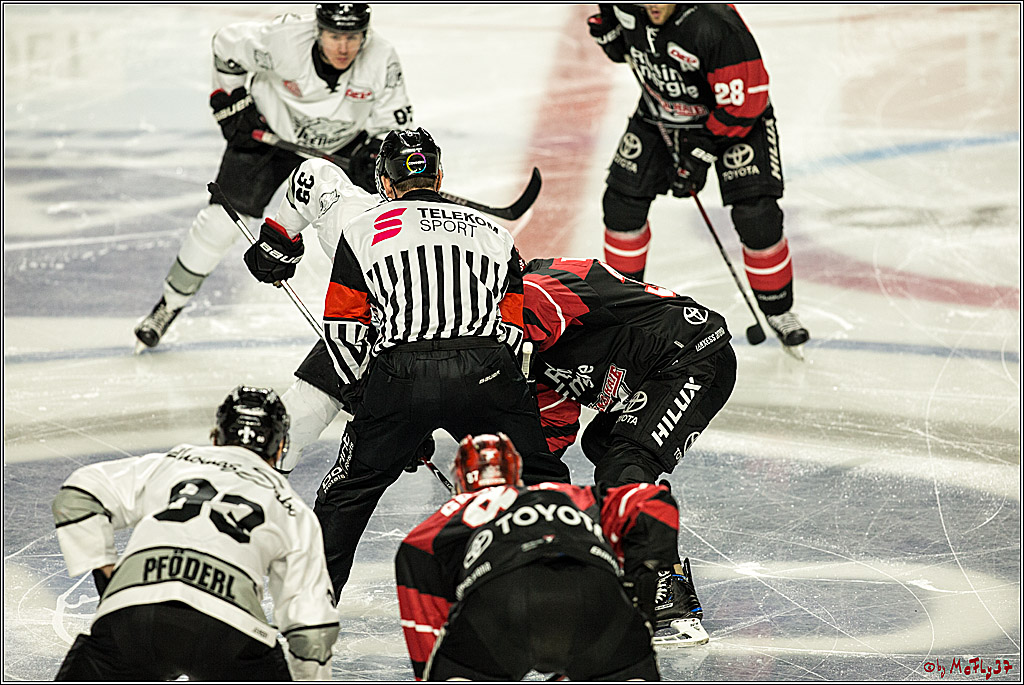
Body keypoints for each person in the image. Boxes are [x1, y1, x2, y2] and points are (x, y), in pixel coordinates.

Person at [256, 127, 569, 598]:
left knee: (348, 493)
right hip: (487, 371)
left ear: (383, 181)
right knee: (540, 478)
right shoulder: (495, 233)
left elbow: (343, 330)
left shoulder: (360, 228)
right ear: (439, 176)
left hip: (401, 374)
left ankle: (309, 608)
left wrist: (373, 402)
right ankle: (578, 579)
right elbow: (513, 334)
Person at [134, 3, 414, 350]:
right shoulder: (282, 41)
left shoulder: (382, 59)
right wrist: (232, 100)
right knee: (218, 225)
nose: (343, 47)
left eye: (352, 37)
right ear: (318, 31)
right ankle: (169, 304)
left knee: (371, 229)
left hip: (344, 146)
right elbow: (226, 45)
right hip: (269, 134)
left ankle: (391, 318)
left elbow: (393, 125)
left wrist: (374, 152)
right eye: (334, 36)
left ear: (365, 34)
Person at [51, 386, 339, 681]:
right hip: (230, 628)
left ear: (215, 438)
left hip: (135, 614)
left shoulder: (174, 463)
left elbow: (77, 495)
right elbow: (312, 632)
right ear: (281, 448)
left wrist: (109, 580)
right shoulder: (291, 508)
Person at [523, 256, 734, 645]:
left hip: (691, 356)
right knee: (601, 444)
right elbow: (551, 432)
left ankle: (667, 592)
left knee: (624, 466)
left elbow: (537, 306)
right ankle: (643, 567)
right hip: (657, 374)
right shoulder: (533, 351)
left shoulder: (541, 285)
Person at [587, 3, 810, 348]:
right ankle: (622, 309)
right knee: (621, 205)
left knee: (756, 215)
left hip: (734, 123)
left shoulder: (714, 24)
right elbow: (623, 50)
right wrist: (608, 30)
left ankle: (779, 310)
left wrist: (700, 153)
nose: (653, 5)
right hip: (659, 117)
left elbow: (745, 103)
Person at [395, 433, 676, 680]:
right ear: (517, 477)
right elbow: (653, 503)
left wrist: (433, 670)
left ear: (460, 485)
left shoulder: (461, 506)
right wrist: (638, 595)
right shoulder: (565, 493)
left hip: (499, 599)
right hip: (594, 592)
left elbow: (414, 552)